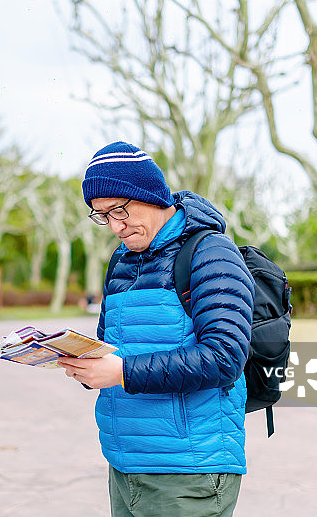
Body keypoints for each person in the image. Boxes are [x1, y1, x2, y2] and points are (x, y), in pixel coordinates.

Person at [58, 141, 255, 517]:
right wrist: (85, 364)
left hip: (189, 470)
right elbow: (115, 350)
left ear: (150, 195)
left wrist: (122, 371)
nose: (115, 226)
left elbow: (225, 357)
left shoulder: (210, 252)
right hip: (125, 462)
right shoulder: (120, 262)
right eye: (102, 215)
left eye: (120, 210)